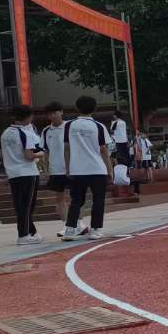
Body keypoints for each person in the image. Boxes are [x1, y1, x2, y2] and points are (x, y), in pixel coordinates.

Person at [61, 95, 112, 241]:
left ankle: (70, 230)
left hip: (77, 169)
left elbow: (67, 148)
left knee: (76, 200)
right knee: (98, 200)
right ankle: (95, 230)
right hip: (97, 169)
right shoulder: (99, 126)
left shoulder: (69, 125)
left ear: (77, 108)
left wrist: (68, 167)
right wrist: (110, 170)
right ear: (95, 109)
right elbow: (103, 149)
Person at [0, 104, 43, 245]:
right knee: (27, 205)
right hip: (27, 172)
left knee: (21, 204)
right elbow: (29, 155)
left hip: (13, 173)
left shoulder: (6, 133)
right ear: (28, 117)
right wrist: (43, 153)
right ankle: (23, 235)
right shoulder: (25, 134)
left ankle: (32, 232)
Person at [40, 102, 72, 231]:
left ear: (61, 112)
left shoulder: (70, 127)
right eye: (49, 114)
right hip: (56, 170)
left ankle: (77, 223)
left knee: (74, 197)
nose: (52, 116)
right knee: (60, 197)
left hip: (72, 169)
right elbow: (45, 152)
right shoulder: (46, 131)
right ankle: (65, 224)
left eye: (55, 112)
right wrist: (46, 170)